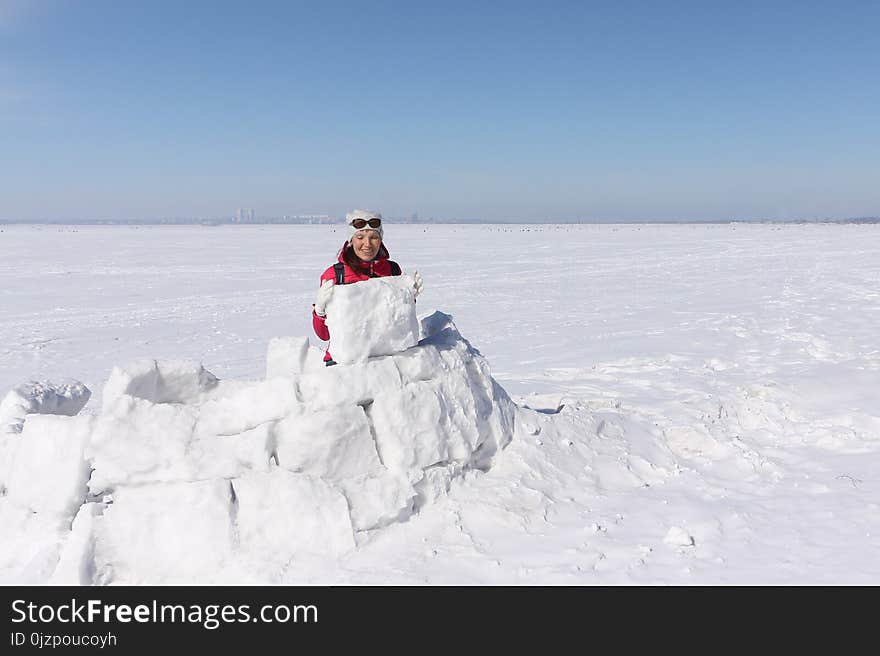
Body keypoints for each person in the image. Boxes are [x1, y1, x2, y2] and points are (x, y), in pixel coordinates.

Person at [312, 209, 424, 365]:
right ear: (351, 240)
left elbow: (398, 323)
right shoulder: (335, 275)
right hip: (344, 364)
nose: (367, 244)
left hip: (385, 359)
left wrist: (409, 299)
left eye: (374, 237)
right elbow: (324, 335)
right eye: (360, 237)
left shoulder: (392, 270)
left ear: (380, 239)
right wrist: (320, 311)